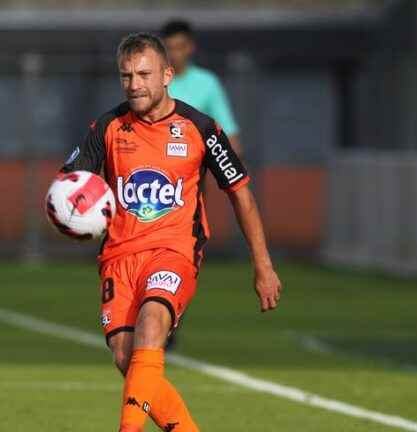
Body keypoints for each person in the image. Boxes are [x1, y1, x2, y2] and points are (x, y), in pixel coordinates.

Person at [59, 32, 281, 432]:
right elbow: (71, 185)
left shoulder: (200, 128)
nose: (134, 85)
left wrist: (263, 265)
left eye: (144, 74)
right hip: (119, 257)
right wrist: (71, 208)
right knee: (128, 359)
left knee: (151, 327)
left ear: (167, 75)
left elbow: (241, 196)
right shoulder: (108, 126)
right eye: (126, 76)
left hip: (174, 251)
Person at [162, 19, 243, 155]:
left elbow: (228, 130)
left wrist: (237, 166)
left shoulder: (208, 83)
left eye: (179, 47)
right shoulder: (153, 81)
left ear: (190, 47)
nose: (174, 54)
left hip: (195, 164)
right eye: (169, 48)